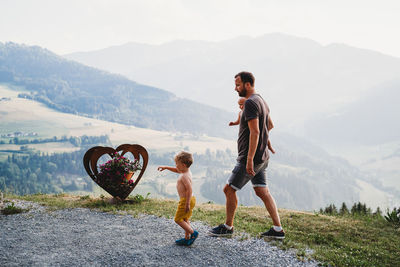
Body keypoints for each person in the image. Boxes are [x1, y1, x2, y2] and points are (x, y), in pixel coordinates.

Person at [209, 71, 284, 239]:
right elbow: (269, 125)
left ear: (247, 85)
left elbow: (256, 131)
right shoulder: (261, 100)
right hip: (262, 157)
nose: (236, 88)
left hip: (251, 158)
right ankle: (278, 230)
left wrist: (249, 158)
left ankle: (228, 227)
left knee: (229, 189)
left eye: (238, 85)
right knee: (262, 191)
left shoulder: (251, 103)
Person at [158, 151, 199, 246]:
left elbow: (189, 189)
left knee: (178, 219)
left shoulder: (184, 176)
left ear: (183, 165)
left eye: (177, 163)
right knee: (184, 218)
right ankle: (187, 238)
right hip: (190, 199)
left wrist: (187, 203)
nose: (176, 165)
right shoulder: (186, 171)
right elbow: (177, 170)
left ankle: (193, 233)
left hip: (186, 200)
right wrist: (166, 167)